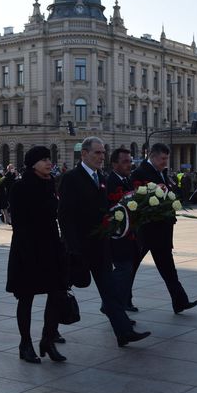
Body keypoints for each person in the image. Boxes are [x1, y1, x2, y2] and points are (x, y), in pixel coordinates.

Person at [58, 136, 150, 347]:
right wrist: (72, 247)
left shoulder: (101, 177)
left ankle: (124, 332)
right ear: (84, 154)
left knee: (109, 292)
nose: (101, 156)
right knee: (61, 291)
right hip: (79, 248)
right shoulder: (71, 177)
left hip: (99, 246)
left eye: (103, 153)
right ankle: (49, 333)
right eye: (97, 153)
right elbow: (65, 216)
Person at [7, 146, 68, 363]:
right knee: (26, 298)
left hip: (51, 245)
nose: (48, 163)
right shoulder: (20, 187)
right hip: (28, 247)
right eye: (43, 159)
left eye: (49, 159)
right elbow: (19, 223)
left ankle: (48, 339)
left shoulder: (50, 183)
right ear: (33, 164)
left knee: (58, 293)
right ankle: (25, 344)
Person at [131, 142, 197, 314]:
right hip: (147, 230)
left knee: (168, 269)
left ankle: (180, 302)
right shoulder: (140, 172)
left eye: (167, 158)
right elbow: (138, 197)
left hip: (161, 230)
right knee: (131, 268)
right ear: (152, 156)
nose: (165, 162)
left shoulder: (161, 172)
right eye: (163, 158)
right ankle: (120, 301)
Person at [106, 148, 139, 314]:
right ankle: (113, 307)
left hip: (130, 236)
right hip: (118, 237)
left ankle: (120, 306)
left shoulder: (127, 180)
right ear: (114, 164)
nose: (129, 165)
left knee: (127, 272)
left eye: (130, 161)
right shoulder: (110, 182)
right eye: (125, 161)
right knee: (123, 272)